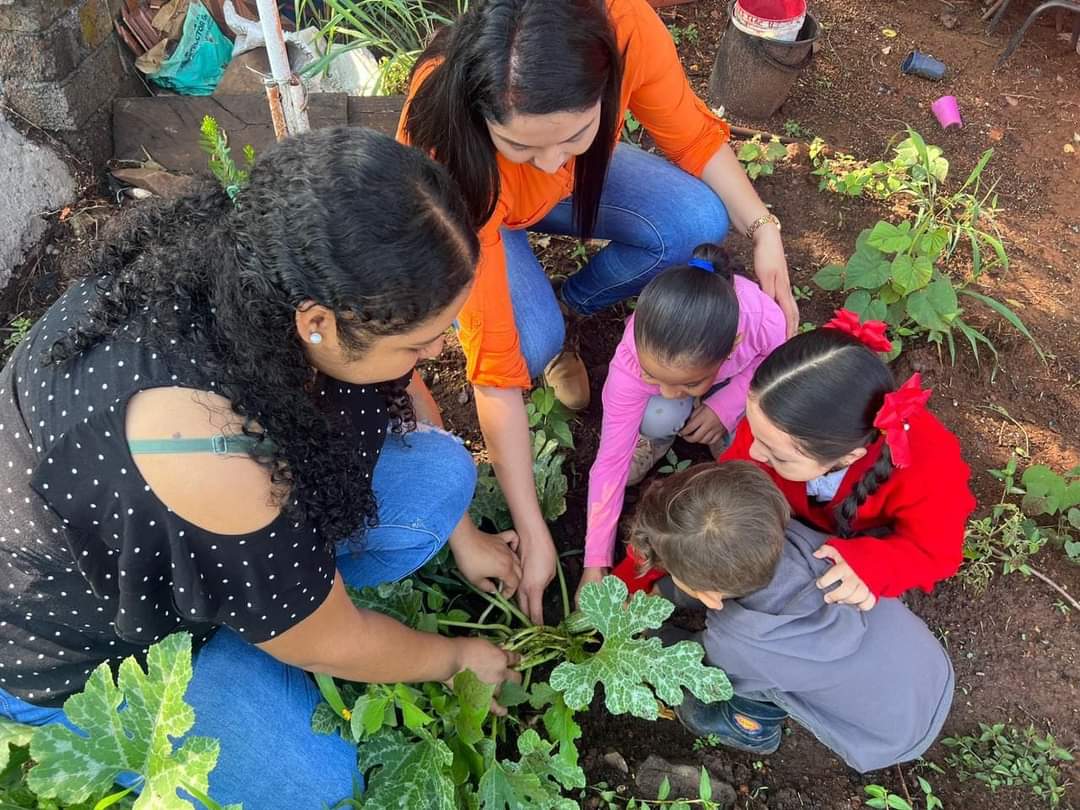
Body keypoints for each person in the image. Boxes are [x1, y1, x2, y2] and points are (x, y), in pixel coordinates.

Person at [0, 128, 525, 808]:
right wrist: (457, 659)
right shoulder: (215, 450)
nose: (434, 353)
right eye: (419, 343)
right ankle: (232, 643)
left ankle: (249, 609)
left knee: (438, 480)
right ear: (320, 324)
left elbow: (393, 376)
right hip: (76, 647)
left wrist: (465, 535)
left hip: (163, 533)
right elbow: (335, 643)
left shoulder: (265, 260)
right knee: (312, 782)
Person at [397, 0, 798, 622]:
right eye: (522, 143)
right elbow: (495, 374)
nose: (557, 160)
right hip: (480, 209)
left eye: (579, 133)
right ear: (483, 116)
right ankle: (552, 327)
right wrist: (534, 533)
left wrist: (765, 228)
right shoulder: (446, 151)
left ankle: (572, 300)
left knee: (696, 220)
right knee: (526, 345)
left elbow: (692, 134)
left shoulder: (623, 28)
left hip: (553, 195)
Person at [615, 310, 976, 609]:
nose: (753, 454)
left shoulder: (929, 465)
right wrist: (628, 577)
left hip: (850, 549)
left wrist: (871, 565)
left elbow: (937, 552)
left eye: (777, 456)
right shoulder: (777, 422)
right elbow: (703, 510)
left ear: (849, 456)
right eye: (752, 431)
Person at [631, 462, 955, 772]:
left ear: (710, 597)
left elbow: (692, 660)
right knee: (774, 665)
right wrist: (671, 591)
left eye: (676, 575)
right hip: (930, 671)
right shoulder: (806, 542)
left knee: (746, 684)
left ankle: (750, 727)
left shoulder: (735, 644)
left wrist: (647, 633)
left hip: (888, 737)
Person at [577, 245, 785, 602]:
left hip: (733, 381)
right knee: (660, 413)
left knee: (749, 442)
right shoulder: (632, 361)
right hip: (698, 371)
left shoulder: (763, 320)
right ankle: (657, 438)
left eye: (686, 385)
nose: (670, 392)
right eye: (653, 376)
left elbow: (773, 365)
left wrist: (725, 405)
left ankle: (714, 412)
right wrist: (594, 563)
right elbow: (610, 462)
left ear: (733, 345)